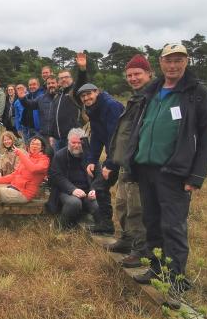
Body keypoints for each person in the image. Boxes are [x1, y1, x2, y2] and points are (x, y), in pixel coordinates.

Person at [125, 43, 207, 292]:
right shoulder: (152, 92)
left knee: (173, 226)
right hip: (146, 169)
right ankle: (156, 268)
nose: (173, 65)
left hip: (174, 172)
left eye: (179, 60)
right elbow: (138, 129)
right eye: (169, 60)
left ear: (186, 62)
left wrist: (196, 176)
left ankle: (176, 278)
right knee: (152, 222)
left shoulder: (197, 93)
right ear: (161, 63)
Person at [105, 54, 153, 267]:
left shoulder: (151, 99)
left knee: (136, 207)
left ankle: (140, 248)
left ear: (149, 74)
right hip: (125, 162)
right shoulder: (135, 99)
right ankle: (125, 238)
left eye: (137, 74)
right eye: (130, 75)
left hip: (138, 163)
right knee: (122, 203)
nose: (133, 78)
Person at [77, 82, 124, 235]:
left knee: (126, 196)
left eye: (89, 94)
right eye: (83, 96)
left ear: (97, 92)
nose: (86, 98)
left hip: (124, 155)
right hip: (114, 154)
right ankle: (106, 224)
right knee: (100, 187)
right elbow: (97, 137)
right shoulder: (92, 109)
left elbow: (116, 136)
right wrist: (92, 160)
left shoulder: (111, 106)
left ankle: (129, 235)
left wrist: (110, 163)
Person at [0, 135, 50, 227]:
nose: (34, 146)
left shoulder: (44, 160)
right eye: (32, 143)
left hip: (23, 193)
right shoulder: (28, 157)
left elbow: (33, 168)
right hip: (13, 187)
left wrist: (21, 154)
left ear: (42, 148)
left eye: (37, 144)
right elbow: (14, 175)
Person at [47, 128, 100, 230]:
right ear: (68, 142)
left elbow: (99, 175)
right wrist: (73, 189)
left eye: (79, 142)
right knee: (74, 203)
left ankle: (99, 229)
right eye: (73, 142)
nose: (76, 145)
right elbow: (56, 176)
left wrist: (94, 189)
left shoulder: (91, 157)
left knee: (99, 205)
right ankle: (60, 227)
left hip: (87, 192)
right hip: (65, 191)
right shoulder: (60, 155)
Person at [48, 53, 88, 150]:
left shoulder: (74, 92)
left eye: (66, 77)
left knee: (74, 163)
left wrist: (82, 69)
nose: (64, 79)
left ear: (71, 79)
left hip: (72, 138)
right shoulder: (57, 95)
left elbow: (81, 81)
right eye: (61, 78)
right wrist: (51, 135)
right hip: (57, 139)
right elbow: (53, 118)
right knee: (60, 163)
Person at [18, 76, 58, 147]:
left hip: (58, 135)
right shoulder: (41, 98)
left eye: (53, 83)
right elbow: (30, 105)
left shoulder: (62, 96)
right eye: (48, 83)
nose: (51, 85)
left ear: (57, 84)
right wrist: (22, 98)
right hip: (43, 134)